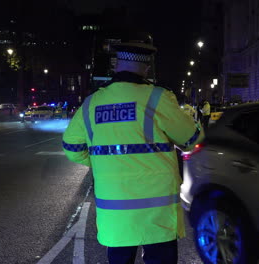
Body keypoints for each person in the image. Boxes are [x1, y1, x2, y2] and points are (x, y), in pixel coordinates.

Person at [62, 33, 204, 264]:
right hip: (157, 213)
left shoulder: (92, 103)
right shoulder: (158, 98)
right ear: (146, 67)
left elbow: (71, 147)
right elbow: (193, 139)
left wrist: (103, 161)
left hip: (115, 215)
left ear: (116, 65)